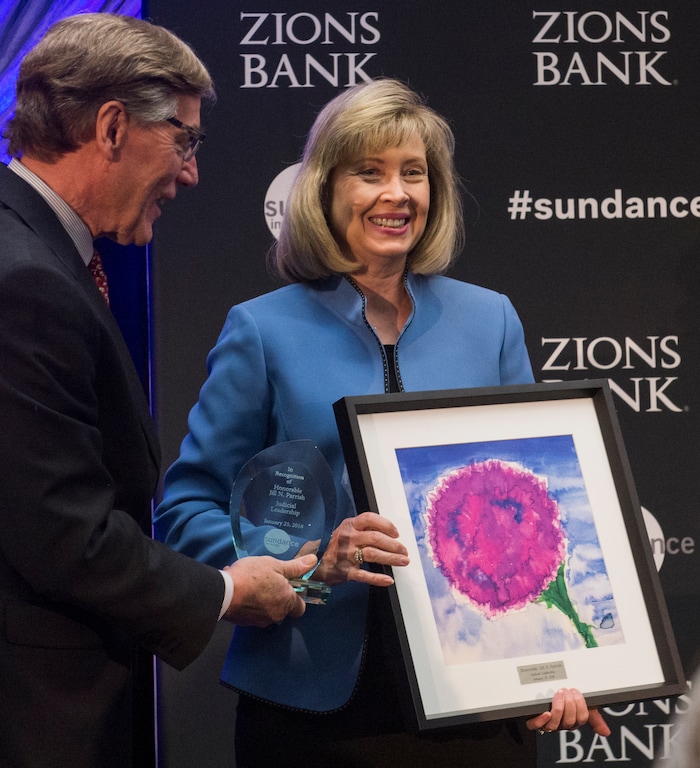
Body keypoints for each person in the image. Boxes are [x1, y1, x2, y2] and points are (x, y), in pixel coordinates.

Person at [154, 78, 610, 766]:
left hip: (478, 703)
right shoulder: (261, 330)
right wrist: (308, 565)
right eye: (370, 173)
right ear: (325, 190)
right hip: (314, 708)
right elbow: (187, 508)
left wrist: (567, 659)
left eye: (414, 174)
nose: (396, 194)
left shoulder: (492, 321)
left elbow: (540, 503)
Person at [0, 13, 317, 768]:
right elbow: (65, 537)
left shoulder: (41, 255)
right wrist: (226, 590)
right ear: (111, 128)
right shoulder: (26, 283)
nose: (192, 172)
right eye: (184, 138)